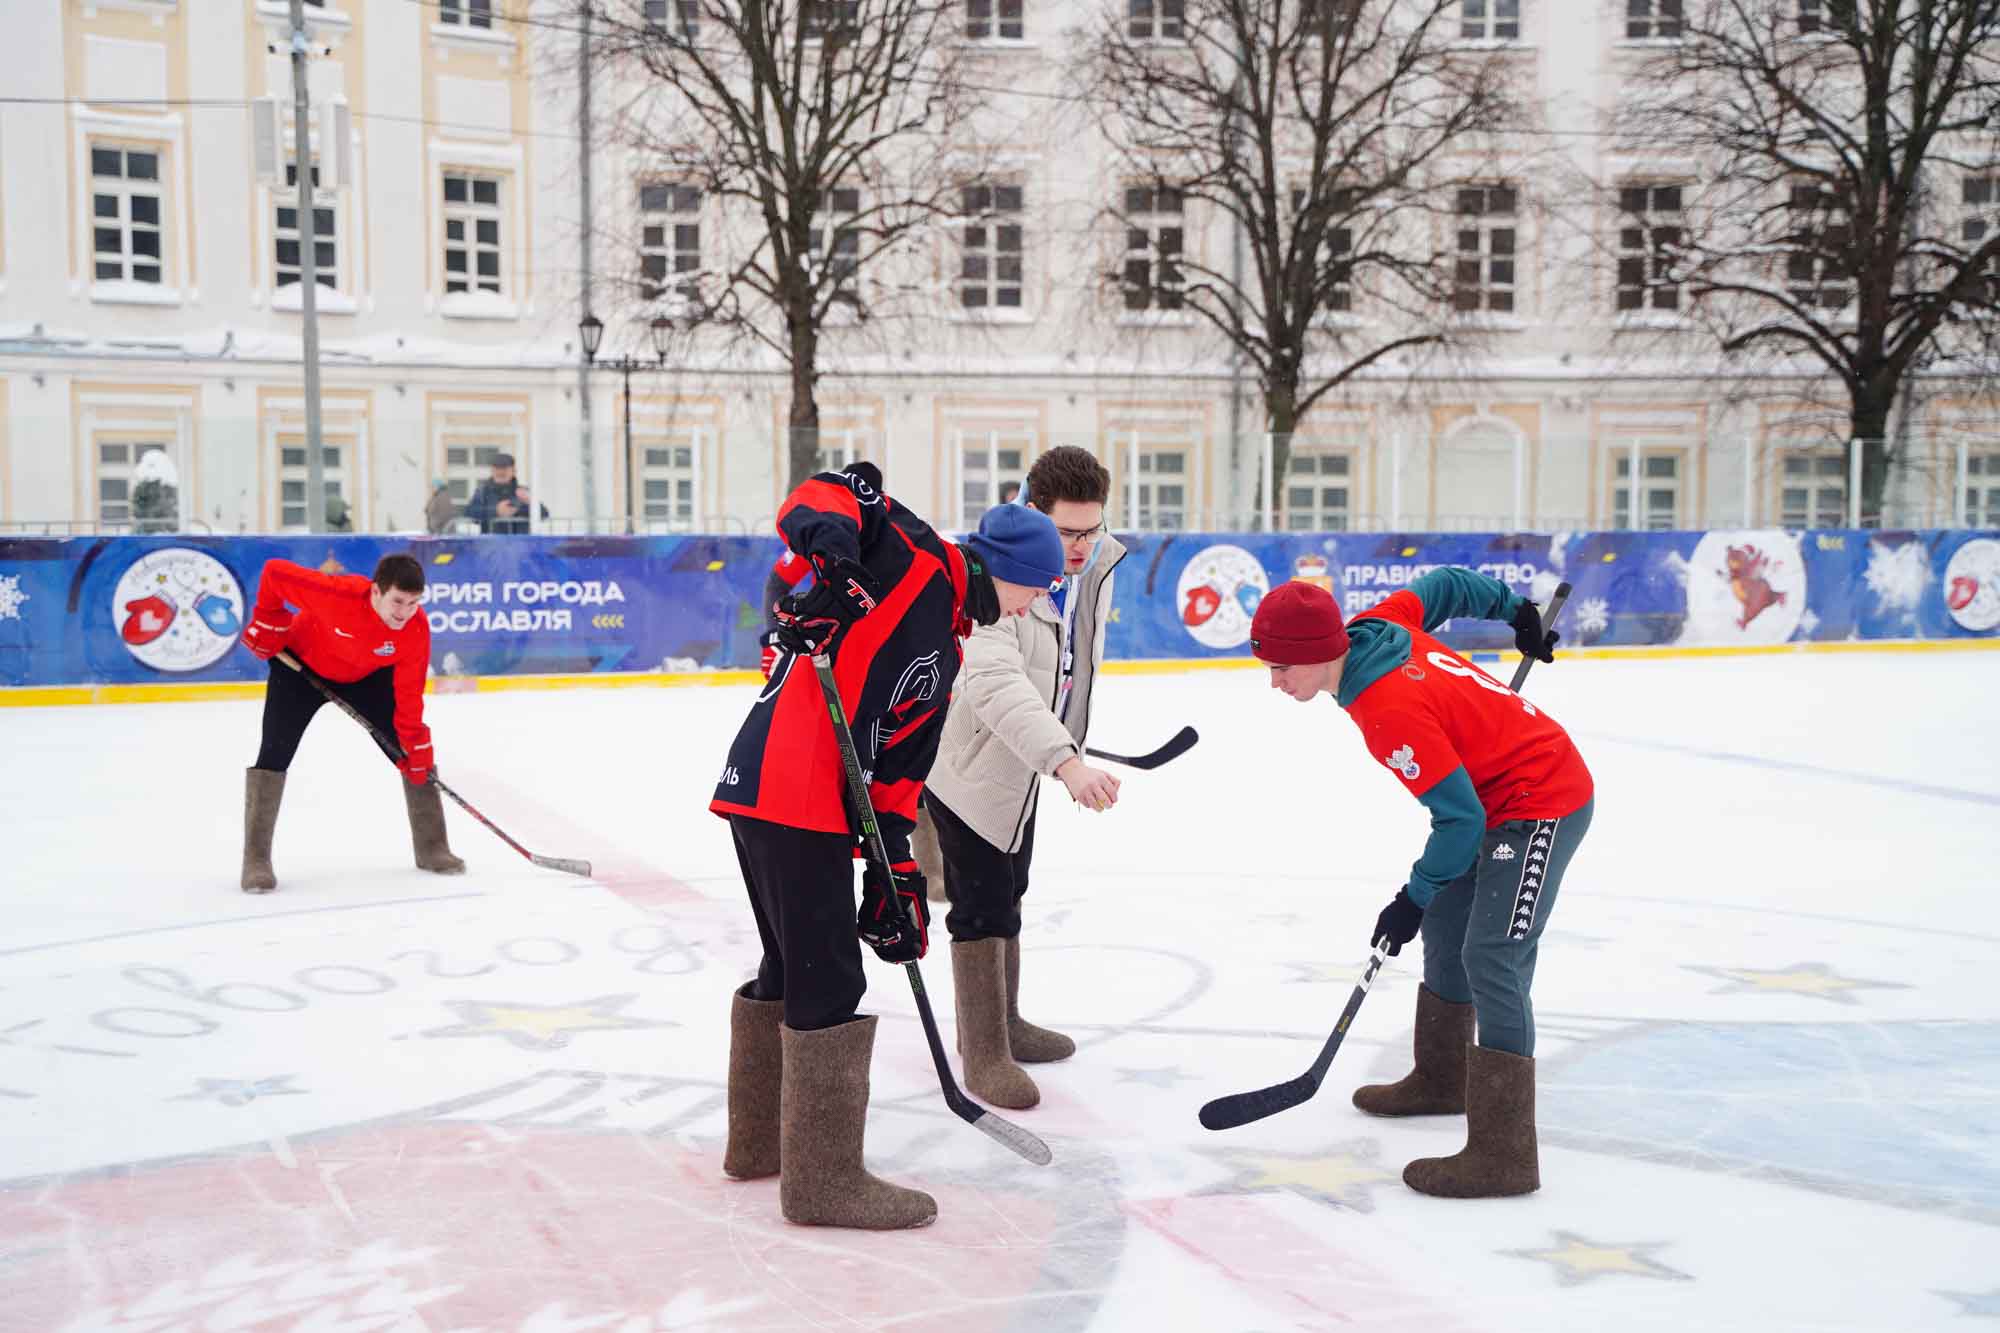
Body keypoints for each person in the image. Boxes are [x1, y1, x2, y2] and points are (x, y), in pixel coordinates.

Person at [709, 467, 1064, 1231]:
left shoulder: (951, 645)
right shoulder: (915, 554)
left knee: (790, 968)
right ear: (1009, 574)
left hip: (787, 797)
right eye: (1037, 589)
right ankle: (823, 1182)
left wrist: (894, 870)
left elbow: (900, 768)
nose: (1038, 603)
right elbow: (826, 492)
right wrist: (834, 558)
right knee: (829, 984)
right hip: (791, 787)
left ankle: (760, 1145)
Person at [1247, 569, 1593, 1199]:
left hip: (1543, 798)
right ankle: (1441, 1079)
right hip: (1494, 796)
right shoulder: (1378, 627)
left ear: (1316, 653)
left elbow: (1459, 824)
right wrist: (1515, 609)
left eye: (1280, 668)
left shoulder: (1387, 709)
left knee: (1493, 954)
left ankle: (1505, 1153)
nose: (1274, 683)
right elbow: (1443, 586)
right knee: (1447, 922)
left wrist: (1412, 894)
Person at [912, 446, 1125, 1110]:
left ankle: (1005, 1023)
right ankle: (983, 1051)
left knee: (1012, 887)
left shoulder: (1093, 565)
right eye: (1069, 532)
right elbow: (998, 682)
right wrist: (1065, 759)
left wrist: (1065, 742)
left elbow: (1067, 660)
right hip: (969, 764)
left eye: (1093, 529)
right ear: (1032, 514)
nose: (1085, 545)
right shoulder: (993, 576)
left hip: (1027, 762)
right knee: (980, 903)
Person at [238, 554, 464, 893]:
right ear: (376, 592)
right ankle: (256, 860)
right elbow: (273, 573)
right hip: (299, 669)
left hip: (366, 679)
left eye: (414, 603)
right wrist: (269, 620)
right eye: (398, 601)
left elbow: (409, 694)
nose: (404, 612)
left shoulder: (415, 629)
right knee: (274, 752)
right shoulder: (336, 594)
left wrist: (416, 744)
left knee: (409, 752)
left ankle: (433, 848)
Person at [463, 453, 547, 534]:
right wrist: (496, 511)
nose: (500, 472)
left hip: (519, 544)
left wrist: (528, 502)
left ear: (513, 471)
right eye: (497, 469)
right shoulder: (483, 492)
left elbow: (544, 514)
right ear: (492, 470)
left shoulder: (523, 492)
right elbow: (469, 513)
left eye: (504, 469)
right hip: (490, 544)